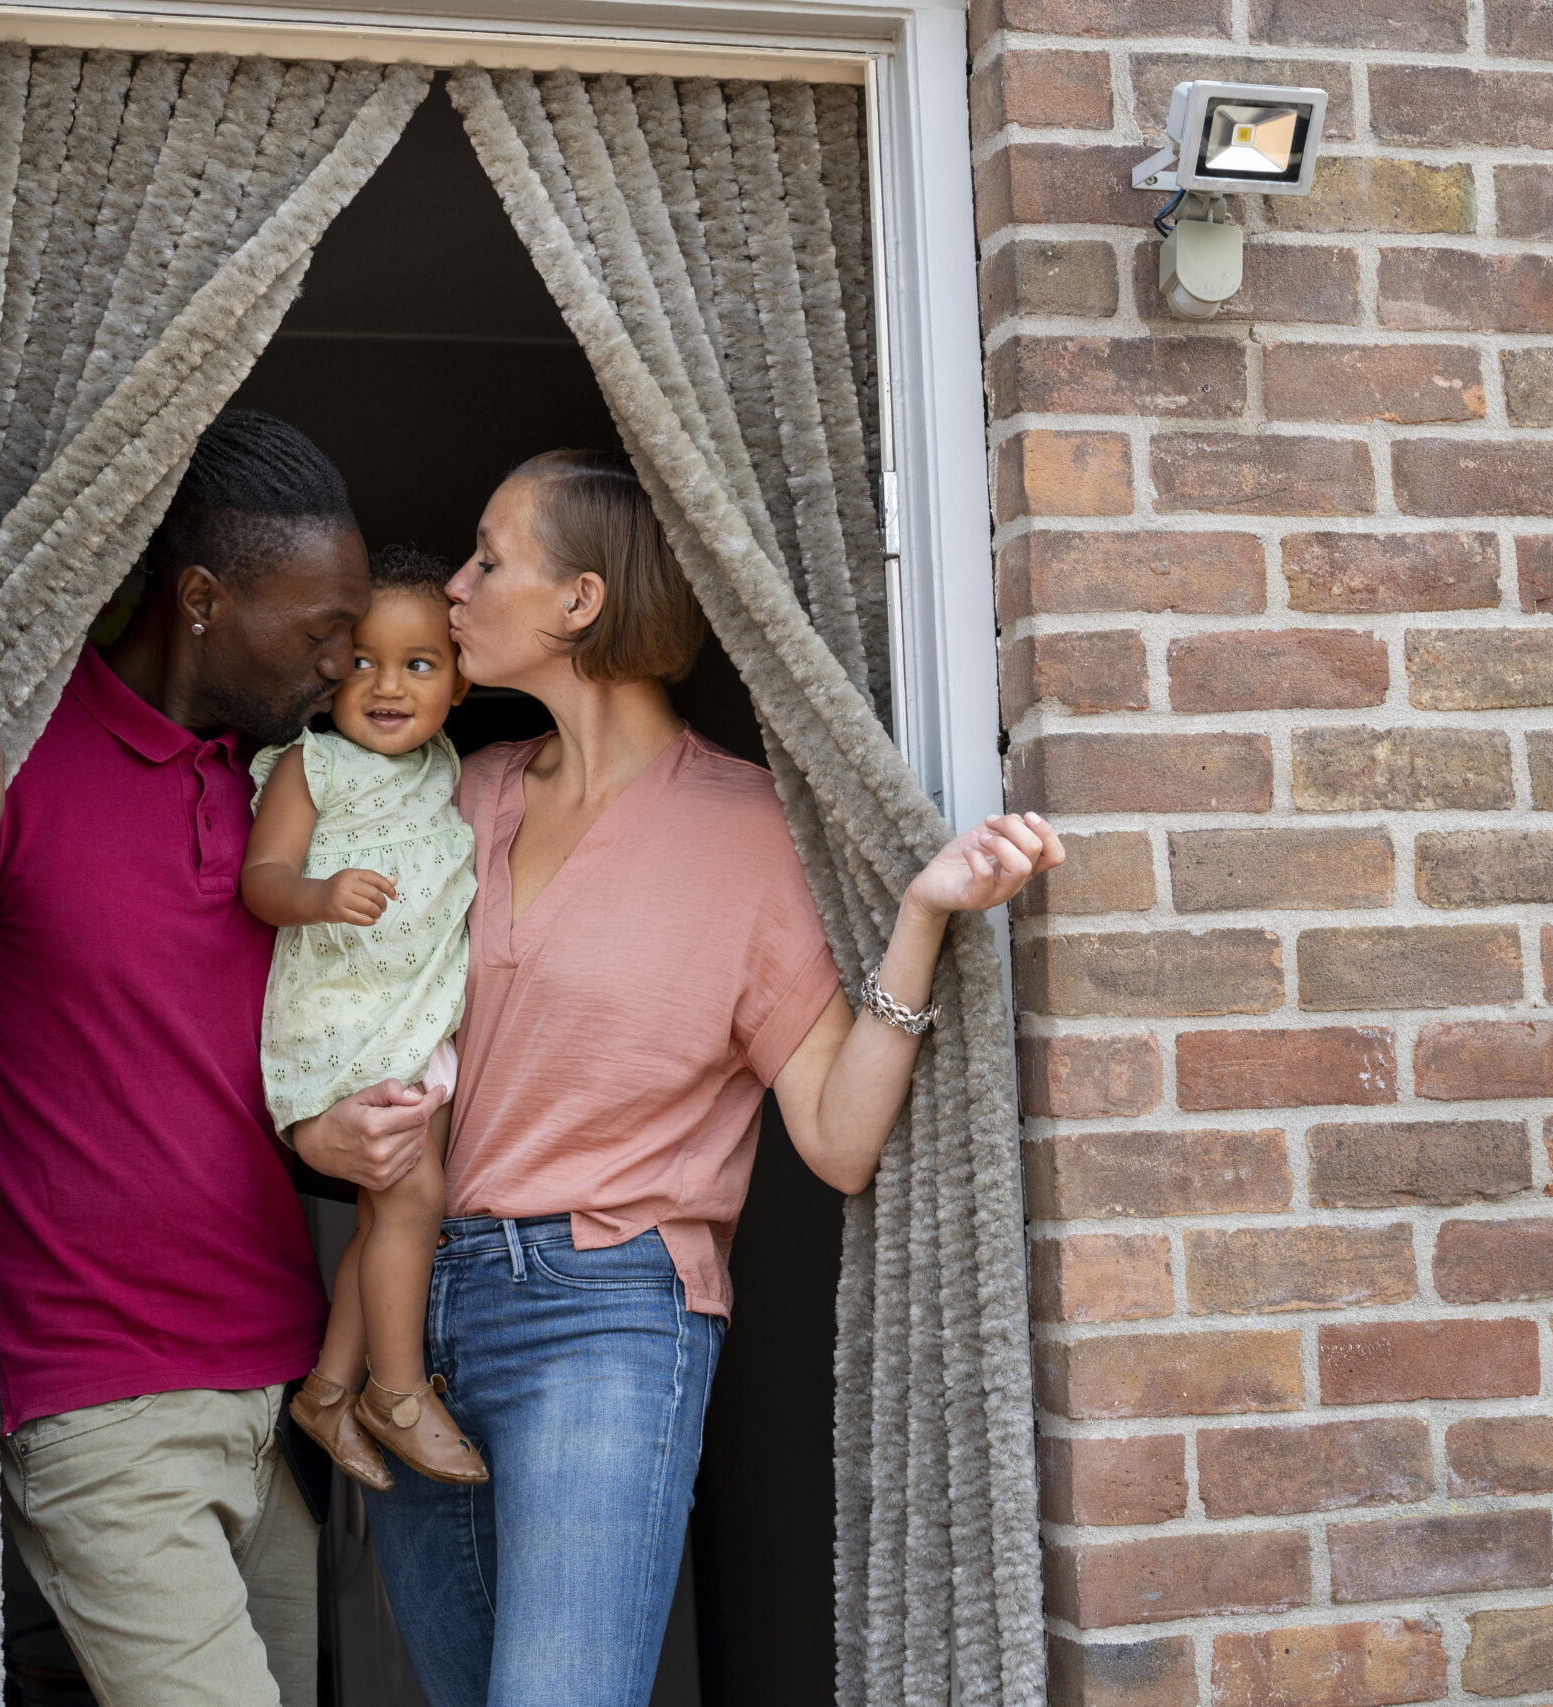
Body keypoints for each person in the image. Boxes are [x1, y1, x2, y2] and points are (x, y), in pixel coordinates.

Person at [293, 448, 1065, 1707]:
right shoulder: (457, 797)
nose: (456, 592)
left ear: (579, 602)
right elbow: (332, 1010)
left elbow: (836, 1136)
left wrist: (923, 918)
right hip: (411, 1318)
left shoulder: (746, 831)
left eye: (492, 559)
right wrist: (322, 1136)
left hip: (603, 1316)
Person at [0, 409, 372, 1707]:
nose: (344, 661)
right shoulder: (19, 746)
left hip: (274, 1392)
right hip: (101, 1394)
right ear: (199, 597)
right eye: (318, 630)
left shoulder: (283, 792)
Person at [241, 545, 489, 1491]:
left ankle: (331, 1388)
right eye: (363, 661)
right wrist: (320, 893)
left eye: (419, 663)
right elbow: (261, 882)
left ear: (461, 681)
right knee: (414, 1199)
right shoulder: (315, 764)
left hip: (410, 1019)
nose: (388, 685)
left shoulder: (444, 766)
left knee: (398, 1213)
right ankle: (397, 1394)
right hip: (340, 1019)